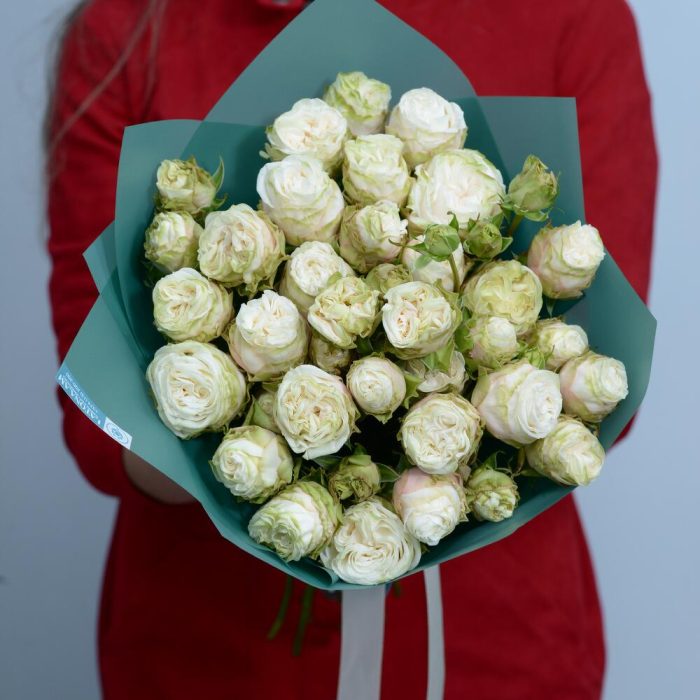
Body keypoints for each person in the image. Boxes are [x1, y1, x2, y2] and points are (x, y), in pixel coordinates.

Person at [46, 0, 657, 698]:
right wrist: (266, 429)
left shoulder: (573, 14)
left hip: (495, 647)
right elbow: (98, 428)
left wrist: (434, 437)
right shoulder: (127, 28)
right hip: (213, 652)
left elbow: (606, 384)